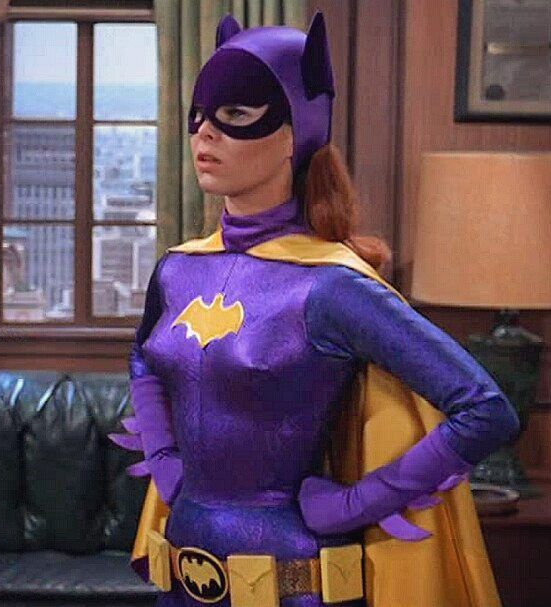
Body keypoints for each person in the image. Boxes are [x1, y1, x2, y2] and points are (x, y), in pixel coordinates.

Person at [108, 12, 520, 607]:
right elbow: (144, 356)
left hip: (294, 580)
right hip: (184, 574)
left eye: (235, 115)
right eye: (198, 115)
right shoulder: (177, 269)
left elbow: (485, 408)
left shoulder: (330, 286)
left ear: (293, 135)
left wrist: (355, 504)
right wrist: (167, 460)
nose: (204, 134)